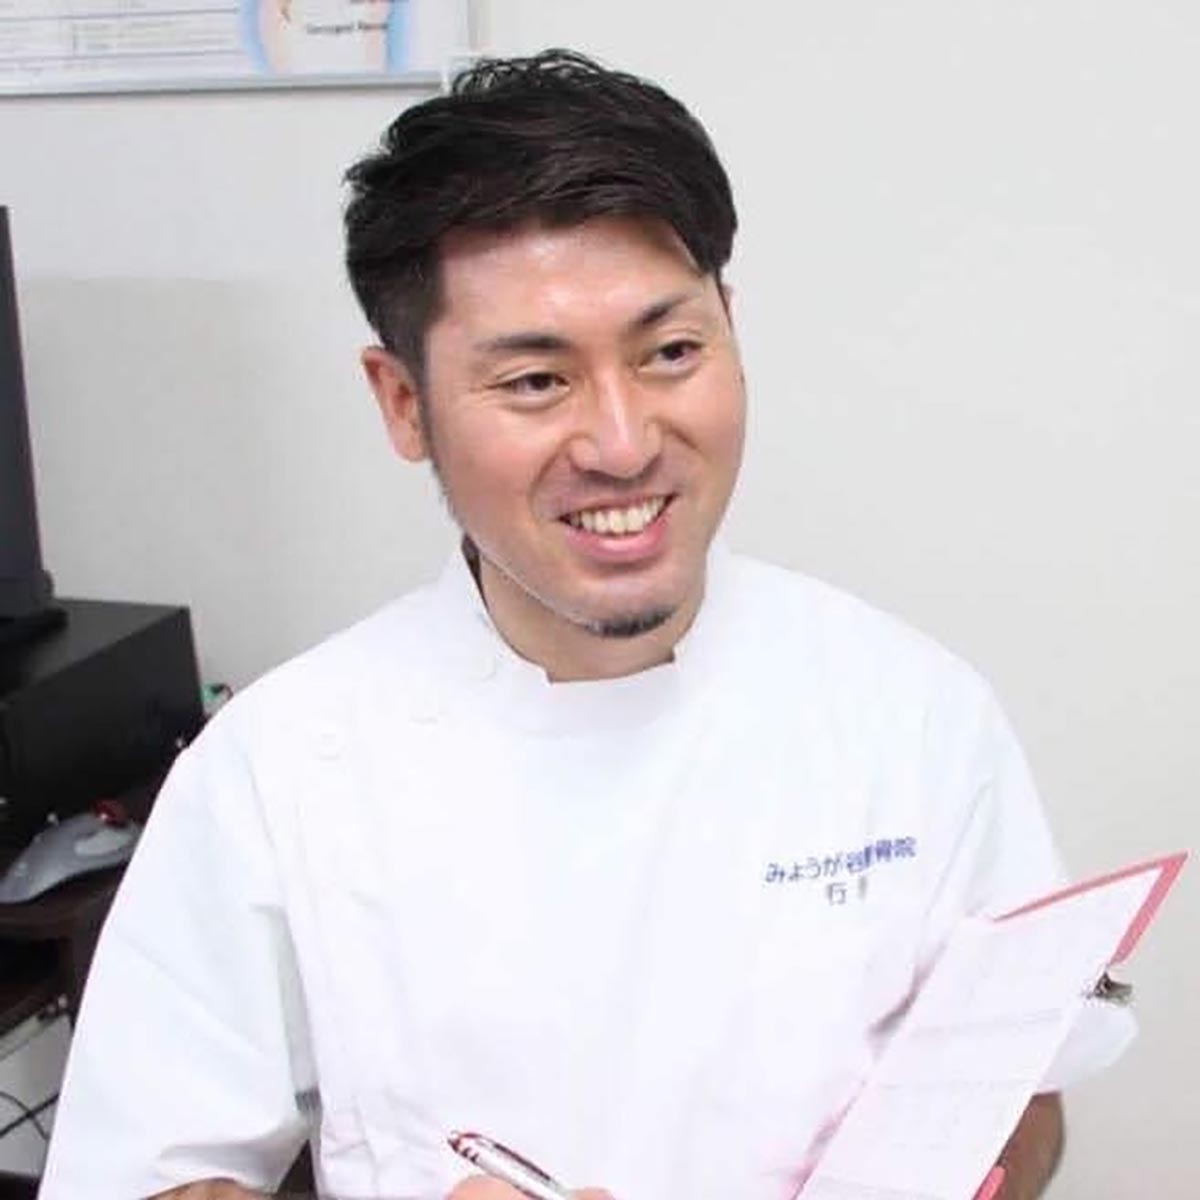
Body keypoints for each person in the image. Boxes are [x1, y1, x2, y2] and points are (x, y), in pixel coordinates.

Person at [39, 50, 1131, 1200]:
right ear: (403, 402)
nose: (623, 442)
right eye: (535, 381)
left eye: (671, 354)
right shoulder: (279, 770)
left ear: (730, 329)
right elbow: (147, 1173)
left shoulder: (913, 712)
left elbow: (1025, 1096)